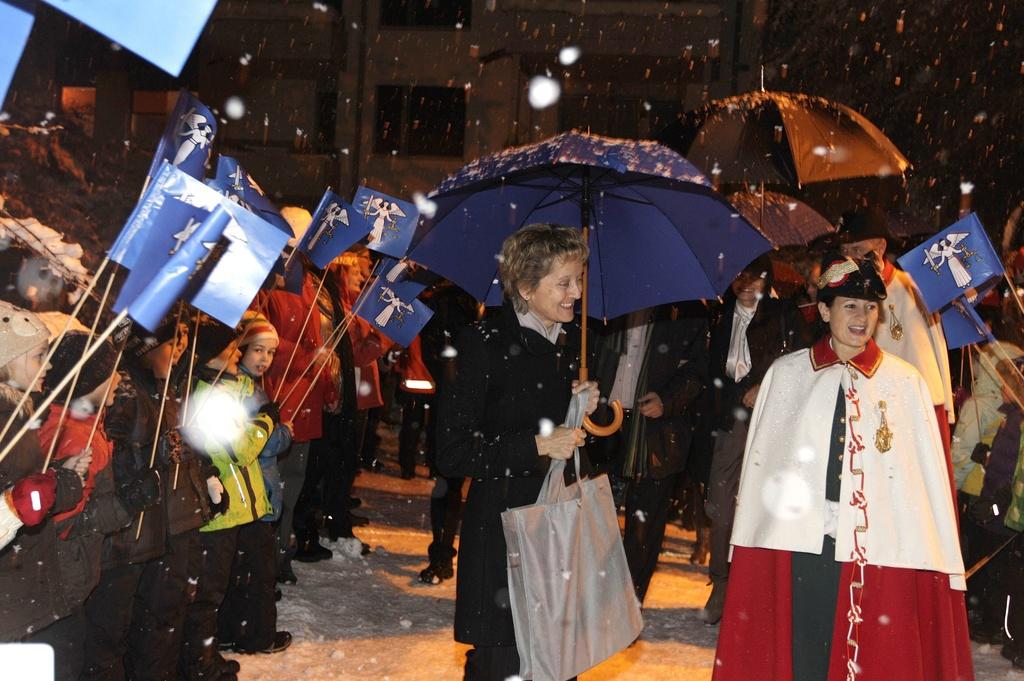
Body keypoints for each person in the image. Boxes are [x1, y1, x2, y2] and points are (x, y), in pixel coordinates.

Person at [713, 253, 973, 681]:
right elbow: (764, 475)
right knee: (807, 655)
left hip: (883, 549)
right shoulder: (788, 375)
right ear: (823, 311)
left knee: (878, 660)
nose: (861, 317)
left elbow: (922, 485)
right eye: (849, 305)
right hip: (803, 547)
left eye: (870, 307)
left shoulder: (905, 383)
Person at [437, 223, 600, 681]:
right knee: (504, 664)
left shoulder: (569, 347)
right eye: (564, 282)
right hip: (503, 536)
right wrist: (535, 446)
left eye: (579, 279)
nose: (576, 292)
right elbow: (452, 451)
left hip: (554, 530)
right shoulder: (481, 344)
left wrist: (584, 409)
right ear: (526, 288)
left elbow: (569, 441)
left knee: (556, 663)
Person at [701, 255, 810, 624]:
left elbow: (803, 365)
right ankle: (721, 580)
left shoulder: (784, 315)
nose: (746, 283)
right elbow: (711, 374)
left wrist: (765, 387)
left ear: (768, 278)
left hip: (773, 423)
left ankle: (757, 590)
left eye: (754, 276)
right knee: (719, 503)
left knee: (764, 504)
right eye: (738, 275)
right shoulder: (718, 317)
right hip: (728, 421)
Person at [590, 302, 708, 602]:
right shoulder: (602, 304)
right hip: (600, 423)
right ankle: (590, 597)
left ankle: (628, 603)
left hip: (653, 429)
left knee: (644, 526)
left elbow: (697, 370)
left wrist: (667, 400)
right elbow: (584, 355)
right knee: (591, 517)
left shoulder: (685, 309)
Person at [179, 320, 275, 681]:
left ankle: (208, 654)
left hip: (232, 509)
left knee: (217, 589)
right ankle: (199, 664)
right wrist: (265, 422)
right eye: (230, 349)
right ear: (210, 356)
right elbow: (242, 449)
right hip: (218, 512)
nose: (238, 353)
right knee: (207, 593)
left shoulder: (225, 388)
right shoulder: (209, 396)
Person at [838, 209, 955, 493]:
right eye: (845, 251)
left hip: (916, 408)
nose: (850, 258)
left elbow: (936, 345)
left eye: (857, 249)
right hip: (872, 406)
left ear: (880, 247)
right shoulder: (844, 291)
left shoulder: (911, 284)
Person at [38, 332, 133, 681]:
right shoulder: (74, 434)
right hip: (65, 574)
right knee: (70, 657)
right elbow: (66, 521)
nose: (120, 378)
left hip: (70, 573)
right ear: (89, 381)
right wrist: (126, 502)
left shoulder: (79, 422)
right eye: (112, 372)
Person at [0, 302, 81, 677]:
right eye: (38, 356)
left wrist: (61, 478)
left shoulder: (19, 415)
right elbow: (20, 495)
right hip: (8, 589)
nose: (47, 366)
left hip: (19, 581)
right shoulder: (6, 422)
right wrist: (53, 487)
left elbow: (28, 486)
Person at [217, 311, 293, 655]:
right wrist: (284, 432)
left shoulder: (249, 387)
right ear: (242, 349)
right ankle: (257, 634)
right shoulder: (246, 391)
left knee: (242, 569)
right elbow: (261, 444)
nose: (264, 358)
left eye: (270, 352)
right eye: (257, 350)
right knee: (259, 571)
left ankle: (232, 630)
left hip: (251, 494)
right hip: (255, 494)